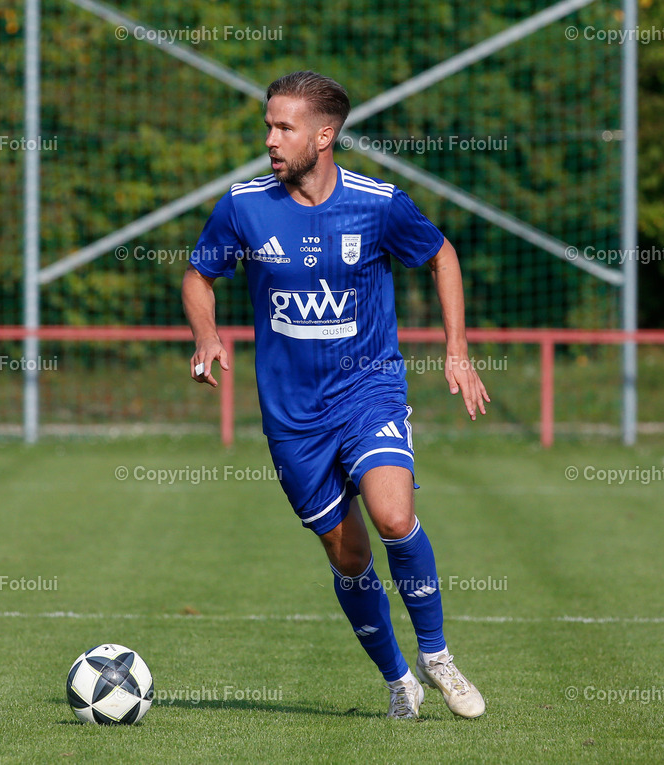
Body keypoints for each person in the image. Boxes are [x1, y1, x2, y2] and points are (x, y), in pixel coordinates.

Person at [182, 70, 489, 719]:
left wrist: (456, 348)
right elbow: (199, 274)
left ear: (324, 135)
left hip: (367, 388)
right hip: (292, 416)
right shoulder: (244, 207)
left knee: (392, 515)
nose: (270, 137)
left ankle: (437, 655)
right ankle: (398, 678)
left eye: (283, 126)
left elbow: (441, 255)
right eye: (268, 124)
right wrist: (207, 334)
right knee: (349, 556)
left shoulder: (377, 204)